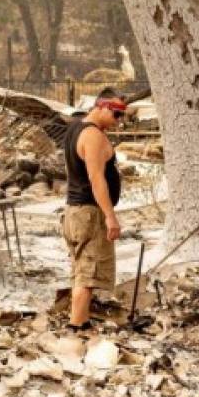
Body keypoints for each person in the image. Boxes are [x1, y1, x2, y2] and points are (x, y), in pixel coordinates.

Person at [62, 92, 127, 331]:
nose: (118, 120)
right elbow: (96, 178)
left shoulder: (75, 129)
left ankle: (83, 321)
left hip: (75, 210)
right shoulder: (93, 136)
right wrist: (110, 217)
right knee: (88, 276)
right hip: (90, 212)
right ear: (102, 106)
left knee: (81, 270)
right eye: (116, 114)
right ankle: (76, 327)